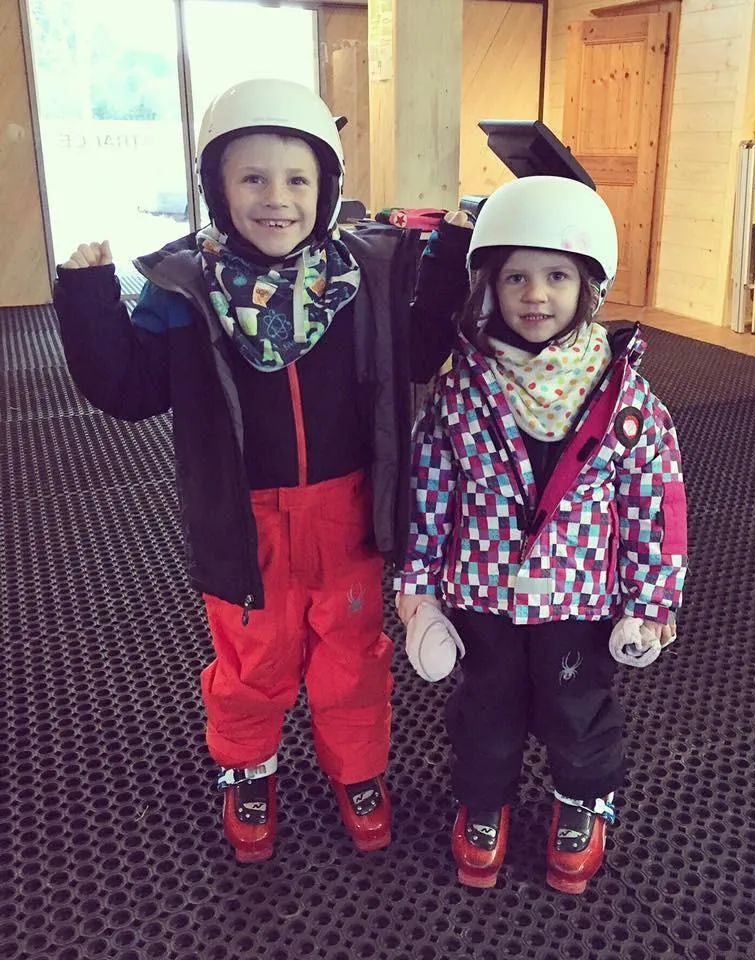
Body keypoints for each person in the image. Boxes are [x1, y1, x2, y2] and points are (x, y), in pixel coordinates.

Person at [53, 78, 471, 864]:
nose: (276, 199)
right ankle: (249, 767)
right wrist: (88, 299)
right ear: (217, 188)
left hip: (347, 514)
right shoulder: (186, 290)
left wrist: (448, 257)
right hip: (242, 526)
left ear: (327, 189)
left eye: (297, 180)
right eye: (252, 178)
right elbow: (129, 389)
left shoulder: (360, 281)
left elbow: (419, 349)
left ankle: (359, 771)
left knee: (352, 659)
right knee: (254, 662)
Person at [395, 175, 687, 892]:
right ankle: (484, 802)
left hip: (582, 603)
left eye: (557, 276)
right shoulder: (460, 389)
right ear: (487, 288)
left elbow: (656, 503)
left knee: (577, 710)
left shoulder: (627, 401)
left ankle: (581, 801)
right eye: (515, 277)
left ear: (589, 287)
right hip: (482, 597)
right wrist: (418, 595)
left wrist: (651, 603)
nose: (535, 295)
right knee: (483, 709)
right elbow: (428, 493)